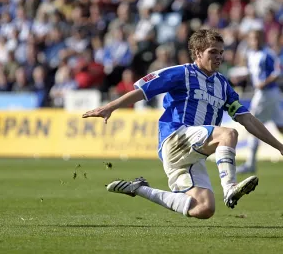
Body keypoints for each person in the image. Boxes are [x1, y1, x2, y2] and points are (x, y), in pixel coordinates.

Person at [82, 29, 283, 219]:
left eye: (221, 52)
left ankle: (139, 188)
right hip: (175, 137)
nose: (219, 57)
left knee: (204, 208)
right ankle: (230, 187)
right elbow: (144, 90)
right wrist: (111, 106)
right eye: (213, 52)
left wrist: (279, 147)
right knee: (228, 134)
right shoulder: (182, 73)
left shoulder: (223, 85)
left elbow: (247, 119)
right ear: (197, 53)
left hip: (193, 154)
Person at [236, 30, 283, 174]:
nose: (254, 41)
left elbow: (277, 72)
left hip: (266, 93)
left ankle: (250, 163)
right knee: (280, 126)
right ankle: (250, 163)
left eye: (257, 38)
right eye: (252, 38)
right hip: (266, 94)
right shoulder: (251, 54)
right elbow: (252, 72)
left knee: (252, 123)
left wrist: (264, 82)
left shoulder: (267, 54)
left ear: (262, 38)